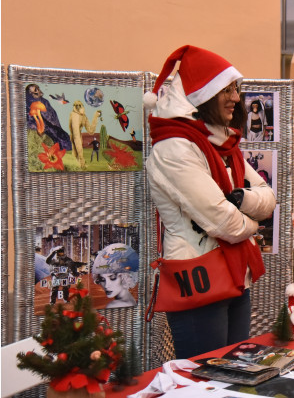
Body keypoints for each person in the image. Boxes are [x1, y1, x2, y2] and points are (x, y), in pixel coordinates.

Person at [143, 45, 276, 358]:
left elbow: (268, 197)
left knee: (232, 375)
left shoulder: (223, 144)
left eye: (235, 89)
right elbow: (223, 222)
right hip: (199, 280)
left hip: (235, 275)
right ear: (202, 94)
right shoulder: (175, 148)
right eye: (225, 90)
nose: (235, 98)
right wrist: (254, 221)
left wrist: (241, 199)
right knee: (204, 379)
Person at [91, 243, 139, 309]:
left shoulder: (114, 305)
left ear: (124, 277)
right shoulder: (131, 301)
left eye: (112, 278)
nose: (106, 285)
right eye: (102, 279)